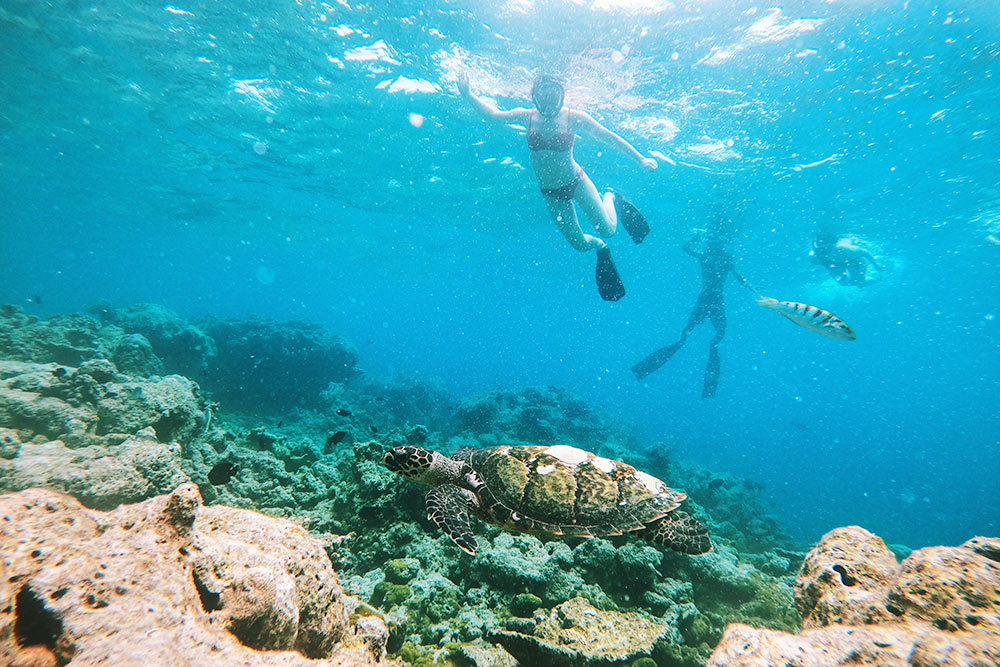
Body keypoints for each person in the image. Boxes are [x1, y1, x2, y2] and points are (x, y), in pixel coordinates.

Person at [457, 72, 658, 301]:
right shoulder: (527, 116)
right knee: (581, 245)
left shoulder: (574, 117)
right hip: (551, 193)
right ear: (535, 97)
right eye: (545, 99)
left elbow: (608, 137)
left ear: (561, 97)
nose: (550, 105)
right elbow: (493, 115)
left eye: (554, 99)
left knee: (609, 230)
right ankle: (601, 247)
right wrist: (467, 94)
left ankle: (610, 196)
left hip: (577, 181)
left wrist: (640, 159)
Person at [631, 219, 750, 398]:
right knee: (712, 338)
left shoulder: (709, 256)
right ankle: (708, 385)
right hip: (715, 299)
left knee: (688, 336)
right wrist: (753, 288)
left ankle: (644, 369)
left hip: (706, 298)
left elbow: (686, 248)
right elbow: (740, 278)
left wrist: (695, 239)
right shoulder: (722, 258)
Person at [810, 233, 881, 287]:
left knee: (860, 283)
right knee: (843, 282)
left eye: (826, 249)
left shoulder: (844, 249)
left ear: (833, 246)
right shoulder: (814, 256)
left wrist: (875, 264)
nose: (823, 252)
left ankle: (878, 278)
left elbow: (864, 252)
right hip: (835, 264)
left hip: (854, 260)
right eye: (820, 250)